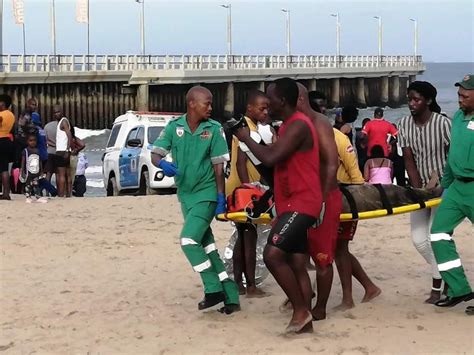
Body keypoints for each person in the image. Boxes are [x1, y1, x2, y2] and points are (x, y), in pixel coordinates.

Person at [234, 78, 323, 334]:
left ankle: (301, 311)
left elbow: (271, 156)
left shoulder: (298, 125)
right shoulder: (285, 128)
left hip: (303, 203)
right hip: (289, 202)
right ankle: (304, 318)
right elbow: (273, 166)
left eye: (269, 100)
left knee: (272, 255)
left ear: (282, 101)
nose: (267, 104)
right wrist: (253, 150)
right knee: (295, 261)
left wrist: (245, 138)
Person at [151, 86, 240, 315]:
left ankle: (213, 289)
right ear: (192, 104)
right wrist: (162, 164)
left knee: (188, 241)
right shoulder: (174, 127)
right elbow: (156, 154)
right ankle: (231, 297)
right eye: (206, 103)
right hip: (185, 195)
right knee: (207, 246)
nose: (210, 108)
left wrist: (220, 197)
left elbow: (219, 167)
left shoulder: (214, 129)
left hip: (207, 193)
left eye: (211, 103)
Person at [397, 81, 452, 303]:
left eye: (416, 99)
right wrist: (419, 191)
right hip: (420, 188)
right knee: (419, 240)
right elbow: (409, 160)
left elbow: (453, 156)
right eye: (409, 99)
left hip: (445, 187)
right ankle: (449, 275)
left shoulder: (442, 123)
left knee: (435, 236)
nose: (412, 104)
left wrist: (442, 184)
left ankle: (436, 288)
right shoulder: (404, 124)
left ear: (428, 101)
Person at [429, 74, 474, 313]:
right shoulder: (456, 118)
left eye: (465, 95)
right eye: (458, 95)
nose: (460, 99)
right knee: (437, 234)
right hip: (456, 187)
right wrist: (444, 186)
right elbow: (452, 157)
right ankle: (459, 289)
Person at [296, 83, 340, 321]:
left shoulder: (320, 123)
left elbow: (332, 164)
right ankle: (303, 298)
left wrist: (321, 200)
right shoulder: (292, 126)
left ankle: (320, 307)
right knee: (296, 254)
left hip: (323, 196)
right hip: (300, 198)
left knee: (322, 257)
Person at [225, 90, 272, 297]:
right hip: (243, 189)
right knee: (248, 236)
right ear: (249, 108)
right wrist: (248, 188)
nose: (265, 112)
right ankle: (249, 284)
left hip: (245, 187)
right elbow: (240, 162)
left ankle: (239, 282)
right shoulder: (244, 129)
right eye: (261, 108)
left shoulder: (252, 127)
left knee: (243, 236)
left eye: (267, 108)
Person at [333, 127, 381, 310]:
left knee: (340, 249)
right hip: (327, 199)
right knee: (335, 249)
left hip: (345, 200)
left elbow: (356, 178)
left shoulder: (340, 141)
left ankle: (349, 298)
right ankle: (369, 287)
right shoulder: (307, 136)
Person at [20, 133, 47, 203]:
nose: (33, 142)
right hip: (28, 172)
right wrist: (22, 171)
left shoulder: (37, 150)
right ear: (27, 142)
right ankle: (28, 197)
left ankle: (37, 196)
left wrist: (41, 171)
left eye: (34, 140)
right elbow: (23, 162)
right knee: (28, 184)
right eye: (30, 140)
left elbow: (40, 161)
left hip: (36, 171)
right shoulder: (25, 151)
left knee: (36, 184)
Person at [54, 106, 73, 197]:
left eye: (58, 112)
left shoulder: (63, 121)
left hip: (62, 150)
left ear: (62, 112)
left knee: (61, 175)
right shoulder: (62, 122)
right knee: (67, 174)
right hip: (65, 150)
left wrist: (67, 149)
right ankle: (69, 194)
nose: (56, 114)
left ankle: (61, 195)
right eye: (54, 112)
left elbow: (69, 135)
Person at [0, 94, 15, 200]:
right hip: (6, 140)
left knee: (3, 169)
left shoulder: (2, 115)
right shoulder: (11, 115)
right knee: (4, 168)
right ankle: (6, 193)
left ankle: (5, 193)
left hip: (0, 140)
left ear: (3, 103)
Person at [68, 127, 85, 198]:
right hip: (73, 176)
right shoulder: (68, 155)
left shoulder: (82, 155)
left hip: (80, 176)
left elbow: (86, 165)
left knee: (80, 193)